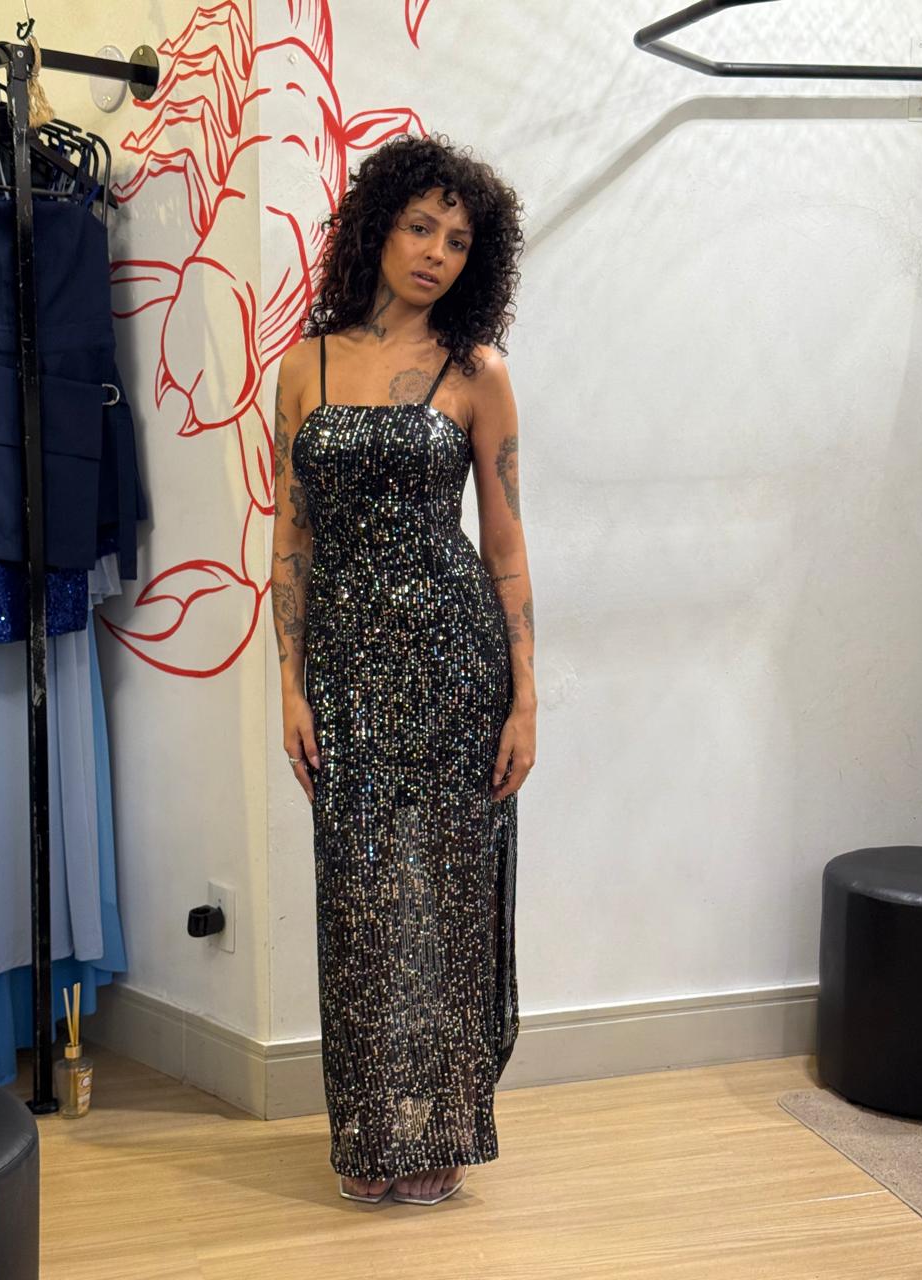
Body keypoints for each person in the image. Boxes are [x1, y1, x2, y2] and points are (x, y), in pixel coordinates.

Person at [271, 132, 535, 1206]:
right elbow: (290, 537)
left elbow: (506, 542)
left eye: (458, 241)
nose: (435, 252)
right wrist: (289, 685)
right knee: (359, 895)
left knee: (448, 898)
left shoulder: (479, 373)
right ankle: (372, 1130)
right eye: (420, 227)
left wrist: (525, 698)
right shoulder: (306, 365)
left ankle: (443, 1126)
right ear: (378, 229)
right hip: (342, 667)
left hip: (458, 665)